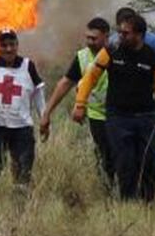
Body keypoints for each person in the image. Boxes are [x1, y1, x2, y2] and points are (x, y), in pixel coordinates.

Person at [72, 14, 155, 202]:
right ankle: (128, 202)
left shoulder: (151, 56)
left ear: (139, 35)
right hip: (118, 117)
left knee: (154, 160)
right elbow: (90, 78)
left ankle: (147, 199)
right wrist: (80, 104)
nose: (120, 36)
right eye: (119, 32)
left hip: (146, 116)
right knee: (126, 161)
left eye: (125, 33)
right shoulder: (111, 51)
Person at [39, 17, 115, 187]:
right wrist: (47, 112)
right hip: (97, 114)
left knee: (121, 154)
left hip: (119, 114)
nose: (89, 42)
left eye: (94, 38)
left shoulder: (117, 54)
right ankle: (108, 191)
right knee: (103, 155)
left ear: (106, 37)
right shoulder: (83, 56)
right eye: (87, 38)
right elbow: (65, 83)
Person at [0, 28, 46, 186]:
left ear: (17, 45)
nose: (9, 49)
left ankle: (20, 198)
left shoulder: (28, 66)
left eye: (12, 44)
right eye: (4, 45)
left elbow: (38, 93)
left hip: (22, 127)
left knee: (23, 170)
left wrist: (44, 118)